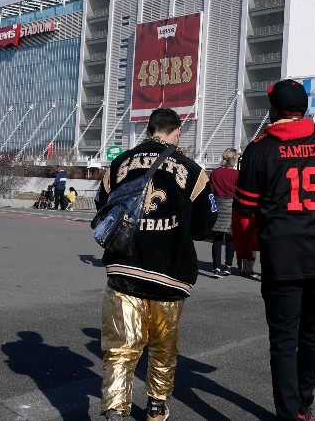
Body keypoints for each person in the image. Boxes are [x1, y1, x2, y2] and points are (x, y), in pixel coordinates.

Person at [232, 79, 315, 421]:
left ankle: (287, 413)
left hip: (282, 254)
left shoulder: (260, 149)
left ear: (274, 110)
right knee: (313, 331)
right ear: (303, 108)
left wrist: (245, 250)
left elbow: (244, 212)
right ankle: (304, 406)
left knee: (284, 340)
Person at [95, 108, 216, 421]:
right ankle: (156, 406)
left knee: (121, 347)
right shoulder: (192, 170)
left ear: (149, 129)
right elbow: (205, 224)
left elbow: (103, 207)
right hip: (170, 274)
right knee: (163, 346)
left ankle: (115, 410)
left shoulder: (119, 164)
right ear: (176, 131)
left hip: (124, 268)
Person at [209, 148, 239, 277]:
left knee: (217, 238)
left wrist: (212, 206)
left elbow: (211, 190)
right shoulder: (237, 174)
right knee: (231, 238)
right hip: (232, 206)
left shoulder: (214, 172)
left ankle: (216, 267)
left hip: (217, 205)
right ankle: (228, 266)